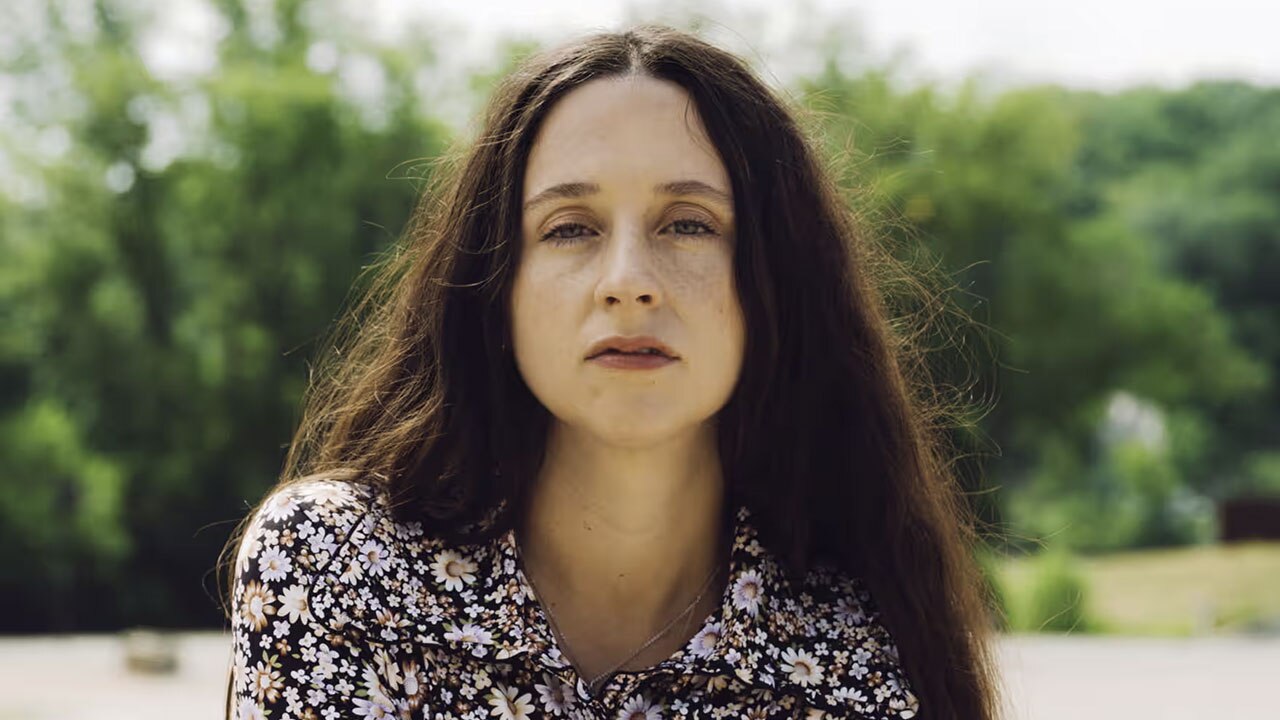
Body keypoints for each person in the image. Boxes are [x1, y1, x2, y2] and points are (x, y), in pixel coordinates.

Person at [223, 23, 1001, 720]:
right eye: (570, 229)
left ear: (779, 284)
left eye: (689, 224)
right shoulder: (340, 567)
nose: (628, 279)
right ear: (496, 289)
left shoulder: (857, 648)